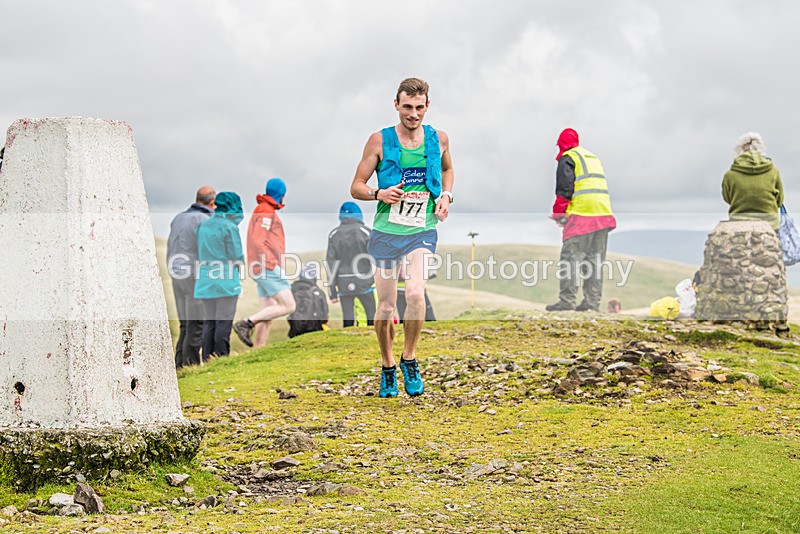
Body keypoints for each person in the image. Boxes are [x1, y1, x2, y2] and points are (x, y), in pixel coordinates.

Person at [350, 77, 454, 398]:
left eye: (419, 107)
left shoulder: (439, 139)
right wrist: (378, 192)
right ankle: (387, 366)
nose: (413, 114)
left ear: (427, 106)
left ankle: (409, 358)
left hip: (422, 230)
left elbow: (448, 170)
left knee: (414, 293)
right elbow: (356, 186)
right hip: (386, 233)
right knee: (384, 306)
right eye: (407, 107)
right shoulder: (378, 141)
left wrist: (446, 195)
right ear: (396, 105)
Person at [546, 128, 616, 312]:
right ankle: (591, 304)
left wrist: (559, 214)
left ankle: (566, 301)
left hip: (582, 215)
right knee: (594, 261)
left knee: (571, 259)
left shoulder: (568, 158)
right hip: (603, 214)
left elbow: (564, 189)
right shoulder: (592, 158)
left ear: (561, 144)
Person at [233, 178, 296, 348]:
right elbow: (258, 240)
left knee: (267, 312)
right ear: (280, 194)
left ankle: (258, 349)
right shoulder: (265, 211)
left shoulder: (264, 210)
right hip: (265, 266)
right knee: (289, 305)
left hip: (260, 265)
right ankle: (246, 323)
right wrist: (270, 263)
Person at [166, 186, 216, 368]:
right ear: (212, 203)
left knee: (185, 324)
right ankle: (191, 366)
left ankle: (178, 366)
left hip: (176, 274)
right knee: (196, 324)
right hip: (193, 276)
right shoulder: (204, 220)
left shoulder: (178, 217)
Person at [193, 192, 245, 358]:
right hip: (225, 281)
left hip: (205, 280)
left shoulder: (203, 225)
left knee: (209, 322)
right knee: (224, 320)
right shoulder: (230, 227)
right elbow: (236, 256)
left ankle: (207, 358)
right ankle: (221, 357)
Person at [325, 202, 376, 327]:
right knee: (371, 314)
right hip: (364, 280)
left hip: (343, 282)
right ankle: (374, 340)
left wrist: (332, 291)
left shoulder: (334, 234)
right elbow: (376, 257)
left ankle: (347, 339)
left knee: (347, 317)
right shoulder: (366, 232)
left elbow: (331, 264)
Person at [722, 132, 783, 230]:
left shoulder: (729, 175)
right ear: (761, 149)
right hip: (769, 225)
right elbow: (779, 201)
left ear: (739, 150)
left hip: (738, 224)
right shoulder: (773, 172)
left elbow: (727, 198)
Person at [287, 263, 329, 338]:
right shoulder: (318, 292)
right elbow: (325, 314)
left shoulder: (291, 291)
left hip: (295, 332)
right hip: (316, 330)